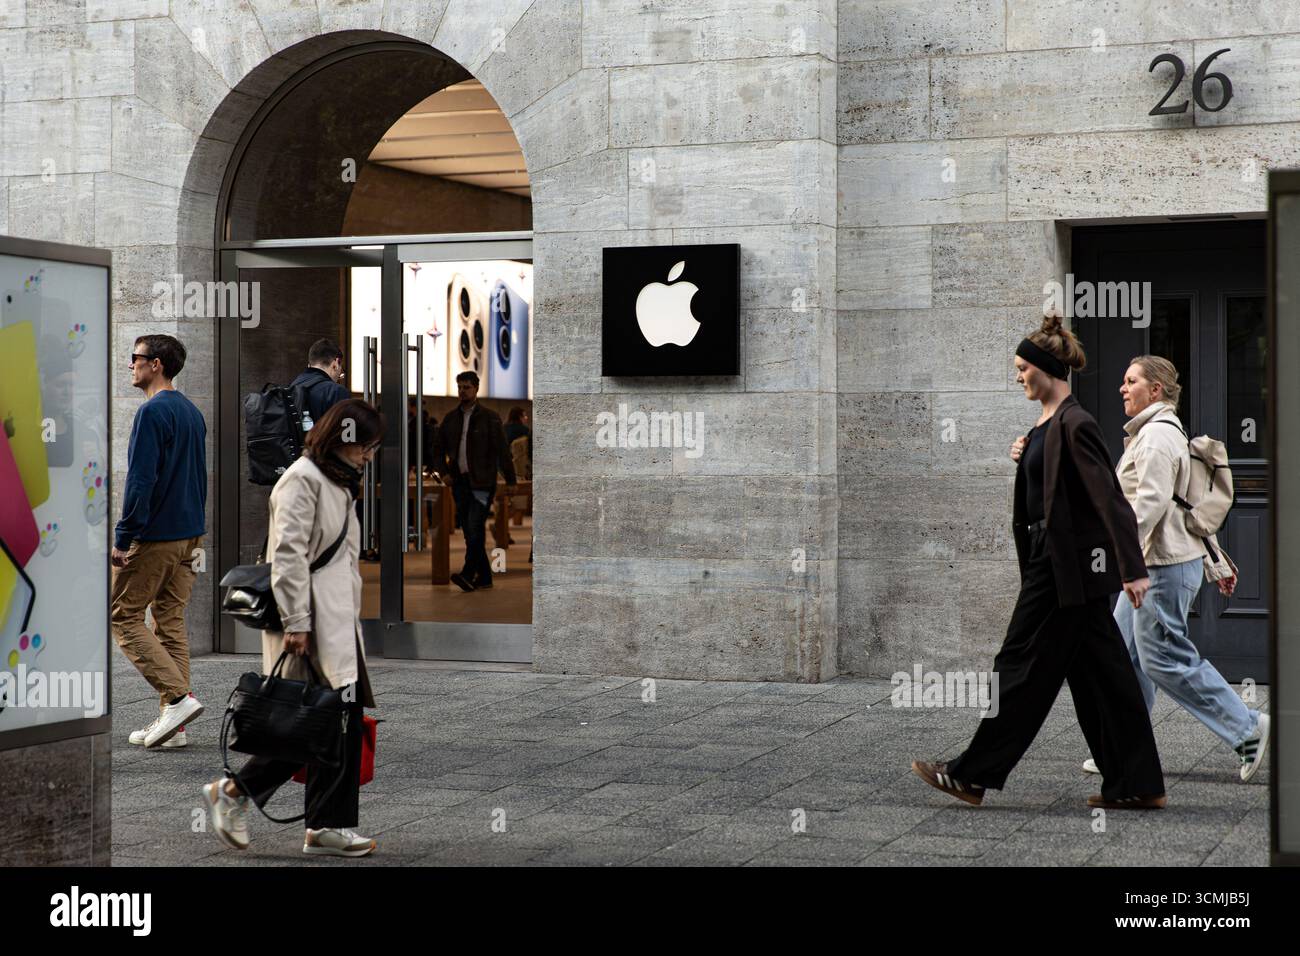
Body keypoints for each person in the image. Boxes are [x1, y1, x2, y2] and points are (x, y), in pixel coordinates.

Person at [912, 312, 1167, 810]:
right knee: (1102, 678)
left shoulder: (1076, 422)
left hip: (1063, 568)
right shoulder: (1048, 426)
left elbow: (1109, 499)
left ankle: (972, 773)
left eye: (1022, 368)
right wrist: (1026, 455)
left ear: (1047, 369)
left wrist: (1132, 569)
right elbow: (1054, 489)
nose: (1017, 376)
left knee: (1019, 665)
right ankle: (1137, 784)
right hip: (1054, 564)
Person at [203, 399, 382, 858]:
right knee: (309, 723)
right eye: (365, 445)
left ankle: (327, 825)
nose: (368, 454)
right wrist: (297, 622)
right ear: (343, 439)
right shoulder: (302, 480)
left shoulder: (339, 482)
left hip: (337, 623)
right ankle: (236, 792)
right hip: (312, 625)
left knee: (336, 723)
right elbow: (286, 556)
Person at [1076, 356, 1268, 782]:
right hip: (1155, 562)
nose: (1122, 389)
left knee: (1164, 658)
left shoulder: (1157, 437)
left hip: (1160, 567)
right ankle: (1125, 746)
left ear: (1156, 389)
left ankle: (1248, 727)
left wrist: (1122, 560)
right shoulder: (1151, 434)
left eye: (1131, 381)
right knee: (1124, 657)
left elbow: (1150, 504)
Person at [111, 335, 207, 749]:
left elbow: (141, 480)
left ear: (157, 365)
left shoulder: (152, 413)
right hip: (189, 534)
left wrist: (124, 535)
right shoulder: (191, 411)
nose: (130, 364)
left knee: (123, 617)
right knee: (168, 622)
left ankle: (180, 701)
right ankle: (174, 726)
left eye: (136, 358)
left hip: (158, 535)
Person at [436, 371, 516, 592]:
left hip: (482, 483)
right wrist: (443, 471)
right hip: (460, 483)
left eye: (467, 387)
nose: (463, 391)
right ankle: (485, 577)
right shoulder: (451, 419)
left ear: (476, 389)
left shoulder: (490, 418)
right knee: (471, 531)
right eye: (460, 387)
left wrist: (510, 479)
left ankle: (468, 573)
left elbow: (502, 450)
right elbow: (437, 448)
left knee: (474, 526)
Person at [289, 338, 351, 427]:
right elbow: (347, 436)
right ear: (336, 364)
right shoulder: (336, 391)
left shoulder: (292, 386)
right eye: (341, 369)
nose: (339, 375)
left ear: (309, 364)